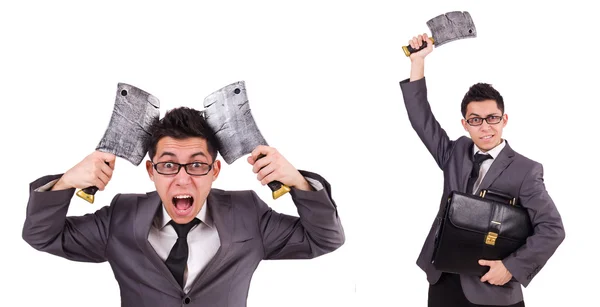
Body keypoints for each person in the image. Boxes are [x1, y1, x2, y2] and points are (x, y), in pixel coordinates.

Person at [22, 106, 345, 307]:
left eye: (196, 165)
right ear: (151, 171)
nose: (182, 179)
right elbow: (42, 235)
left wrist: (299, 183)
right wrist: (65, 182)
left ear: (214, 171)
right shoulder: (121, 216)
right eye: (167, 165)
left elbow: (324, 239)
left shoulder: (247, 213)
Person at [399, 34, 565, 306]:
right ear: (465, 124)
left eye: (492, 118)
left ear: (504, 120)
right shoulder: (454, 153)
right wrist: (417, 62)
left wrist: (511, 267)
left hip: (492, 289)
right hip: (443, 282)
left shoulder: (526, 170)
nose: (485, 127)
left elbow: (552, 228)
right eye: (476, 120)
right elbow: (421, 119)